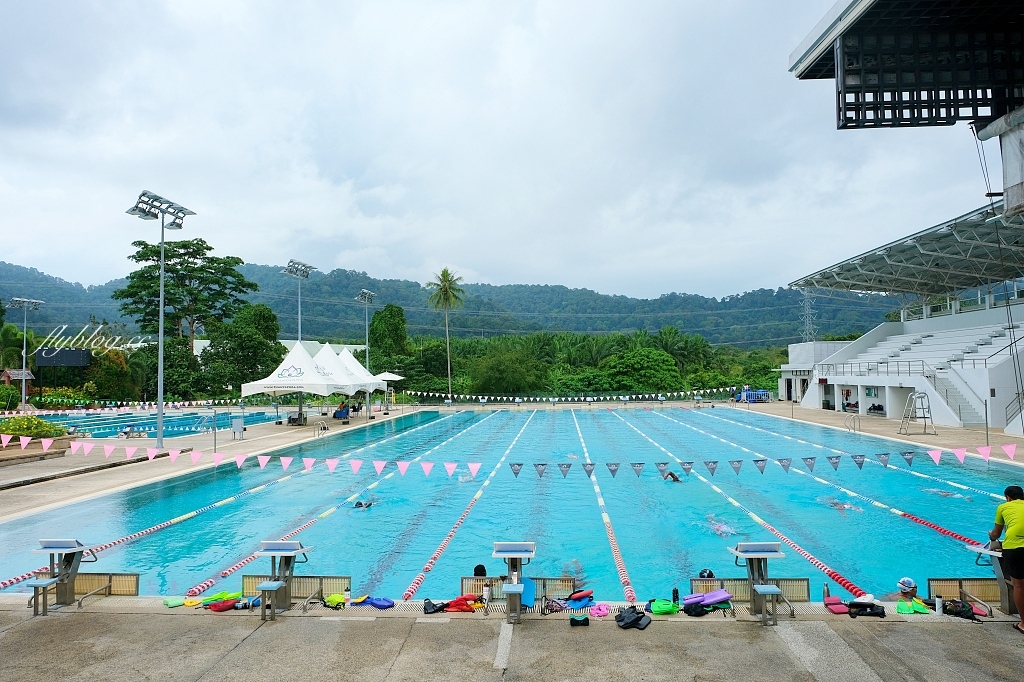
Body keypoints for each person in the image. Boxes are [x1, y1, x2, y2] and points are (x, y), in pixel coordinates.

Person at [989, 485, 1024, 634]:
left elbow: (996, 534)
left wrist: (991, 535)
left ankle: (1023, 623)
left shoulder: (1003, 507)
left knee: (1019, 585)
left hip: (1014, 547)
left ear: (1008, 498)